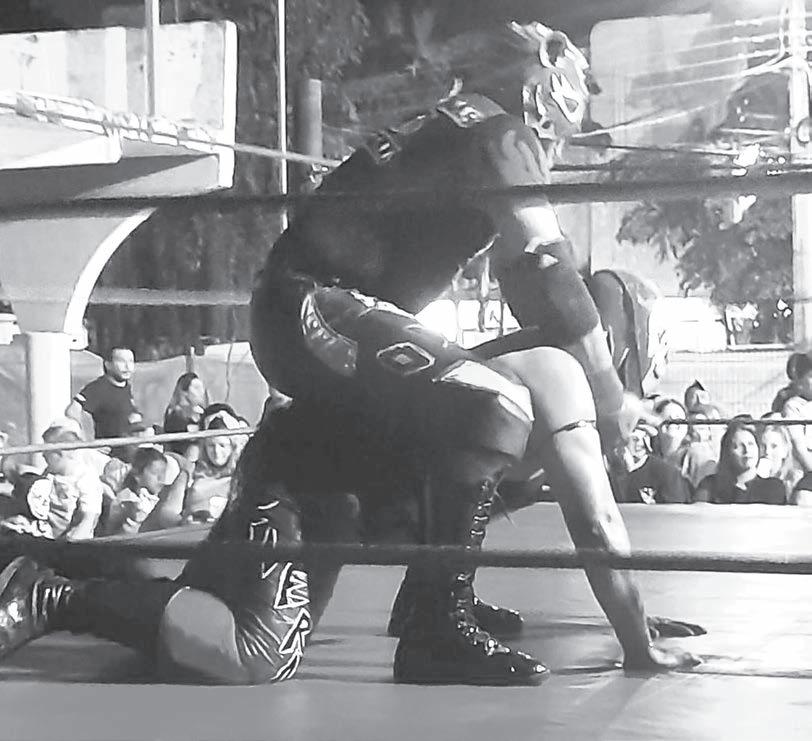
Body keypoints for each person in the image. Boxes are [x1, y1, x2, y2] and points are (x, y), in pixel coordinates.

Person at [0, 23, 696, 686]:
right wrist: (612, 397)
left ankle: (431, 599)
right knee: (496, 405)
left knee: (258, 645)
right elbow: (547, 272)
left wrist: (635, 624)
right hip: (308, 306)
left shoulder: (464, 131)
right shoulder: (499, 133)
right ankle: (435, 621)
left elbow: (531, 281)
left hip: (313, 422)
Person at [65, 345, 143, 460]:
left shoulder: (129, 387)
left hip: (134, 452)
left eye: (131, 361)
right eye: (121, 361)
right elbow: (72, 411)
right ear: (108, 364)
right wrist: (87, 443)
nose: (127, 366)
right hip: (111, 457)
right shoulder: (97, 388)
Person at [694, 421, 785, 505]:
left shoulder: (773, 488)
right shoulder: (710, 486)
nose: (747, 450)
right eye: (738, 446)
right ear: (727, 452)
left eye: (750, 444)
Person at [103, 447, 169, 536]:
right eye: (155, 473)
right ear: (137, 474)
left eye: (163, 473)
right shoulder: (126, 500)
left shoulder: (165, 496)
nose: (161, 478)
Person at [163, 372, 210, 460]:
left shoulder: (202, 411)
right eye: (196, 388)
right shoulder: (175, 413)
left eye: (202, 387)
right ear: (184, 392)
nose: (202, 391)